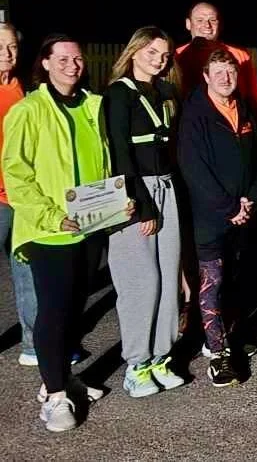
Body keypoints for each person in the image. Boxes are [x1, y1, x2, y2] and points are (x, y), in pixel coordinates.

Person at [3, 35, 118, 432]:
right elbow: (15, 172)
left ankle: (66, 379)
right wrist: (52, 217)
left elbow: (103, 162)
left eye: (78, 58)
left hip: (89, 228)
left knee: (73, 308)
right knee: (52, 312)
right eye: (63, 58)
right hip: (49, 231)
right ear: (46, 64)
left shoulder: (93, 105)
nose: (73, 65)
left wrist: (116, 204)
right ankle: (53, 397)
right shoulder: (28, 110)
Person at [104, 27, 186, 397]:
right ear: (134, 51)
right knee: (142, 282)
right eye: (152, 51)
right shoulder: (118, 94)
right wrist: (142, 203)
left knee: (169, 278)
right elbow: (121, 153)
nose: (159, 59)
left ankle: (160, 356)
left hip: (167, 186)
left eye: (165, 54)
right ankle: (136, 363)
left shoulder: (166, 93)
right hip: (136, 195)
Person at [177, 48, 257, 387]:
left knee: (236, 281)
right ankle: (217, 353)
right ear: (206, 77)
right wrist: (228, 207)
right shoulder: (195, 115)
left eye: (230, 73)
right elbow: (194, 169)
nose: (226, 79)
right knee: (211, 285)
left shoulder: (243, 108)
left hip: (243, 214)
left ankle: (233, 335)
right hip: (211, 218)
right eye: (219, 74)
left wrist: (252, 200)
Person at [0, 22, 37, 368]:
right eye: (0, 47)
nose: (7, 54)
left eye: (12, 47)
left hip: (20, 196)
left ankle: (32, 344)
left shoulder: (21, 86)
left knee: (27, 270)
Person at [173, 2, 257, 108]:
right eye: (200, 20)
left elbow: (252, 97)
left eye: (212, 20)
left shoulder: (239, 55)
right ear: (188, 24)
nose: (207, 25)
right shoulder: (177, 56)